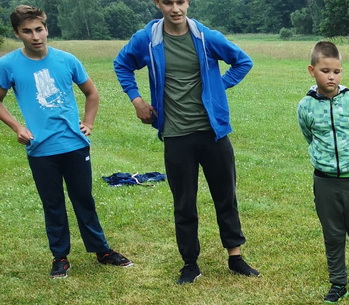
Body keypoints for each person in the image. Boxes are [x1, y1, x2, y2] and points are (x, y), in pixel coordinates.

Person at [113, 0, 258, 285]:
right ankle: (190, 264)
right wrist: (137, 100)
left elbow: (243, 61)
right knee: (184, 203)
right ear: (158, 3)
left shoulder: (206, 37)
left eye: (180, 1)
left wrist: (217, 86)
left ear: (188, 2)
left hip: (213, 133)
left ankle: (235, 257)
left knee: (226, 198)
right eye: (168, 2)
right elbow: (122, 65)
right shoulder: (147, 39)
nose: (175, 8)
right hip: (176, 134)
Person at [0, 5, 133, 279]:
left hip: (74, 144)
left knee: (84, 199)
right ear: (17, 33)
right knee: (53, 204)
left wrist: (89, 123)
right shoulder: (8, 65)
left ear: (46, 29)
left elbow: (92, 93)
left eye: (39, 29)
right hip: (40, 149)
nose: (35, 36)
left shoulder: (67, 60)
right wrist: (18, 127)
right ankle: (60, 257)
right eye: (27, 31)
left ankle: (102, 251)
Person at [297, 40, 349, 303]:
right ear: (312, 71)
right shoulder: (305, 106)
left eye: (336, 71)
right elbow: (309, 135)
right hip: (325, 183)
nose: (331, 77)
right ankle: (338, 284)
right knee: (333, 236)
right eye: (325, 71)